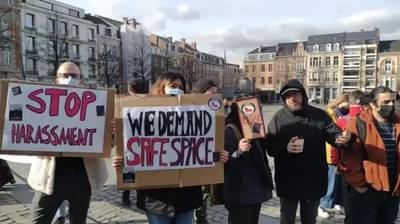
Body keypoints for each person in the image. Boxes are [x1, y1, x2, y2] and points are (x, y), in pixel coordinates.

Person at [113, 72, 228, 224]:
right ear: (161, 88)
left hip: (186, 197)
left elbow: (206, 146)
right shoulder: (141, 112)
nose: (177, 90)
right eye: (173, 86)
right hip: (155, 198)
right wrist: (122, 162)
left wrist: (218, 156)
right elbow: (131, 146)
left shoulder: (194, 112)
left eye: (181, 87)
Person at [29, 62, 108, 224]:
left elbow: (106, 144)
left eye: (74, 76)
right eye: (65, 75)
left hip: (82, 179)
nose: (70, 79)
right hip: (50, 177)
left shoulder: (95, 105)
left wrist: (110, 132)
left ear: (81, 80)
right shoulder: (43, 104)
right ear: (56, 80)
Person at [265, 79, 353, 224]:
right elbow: (270, 146)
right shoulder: (278, 118)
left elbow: (335, 137)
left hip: (313, 179)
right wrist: (285, 148)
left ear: (303, 95)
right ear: (283, 99)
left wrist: (344, 139)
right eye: (287, 96)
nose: (292, 98)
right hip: (288, 180)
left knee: (309, 219)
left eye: (295, 94)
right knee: (287, 219)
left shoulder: (320, 115)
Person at [342, 86, 400, 224]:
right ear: (373, 104)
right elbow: (350, 157)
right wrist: (360, 187)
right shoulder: (357, 123)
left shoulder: (398, 123)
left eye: (393, 101)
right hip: (367, 190)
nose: (391, 105)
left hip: (392, 192)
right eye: (386, 102)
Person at [224, 97, 274, 224]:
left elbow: (264, 155)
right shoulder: (229, 130)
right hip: (240, 193)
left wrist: (266, 139)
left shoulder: (256, 127)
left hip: (256, 189)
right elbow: (225, 163)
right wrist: (240, 151)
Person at [191, 79, 218, 224]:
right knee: (197, 192)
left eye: (216, 92)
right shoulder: (191, 109)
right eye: (211, 92)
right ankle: (198, 216)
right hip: (194, 160)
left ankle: (201, 216)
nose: (215, 95)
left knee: (205, 192)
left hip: (209, 159)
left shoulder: (215, 109)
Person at [335, 90, 364, 224]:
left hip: (345, 168)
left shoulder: (341, 120)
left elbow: (335, 145)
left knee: (350, 205)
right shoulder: (368, 119)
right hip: (365, 168)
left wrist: (336, 163)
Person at [319, 94, 350, 218]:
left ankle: (337, 202)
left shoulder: (342, 114)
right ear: (340, 103)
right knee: (330, 181)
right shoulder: (331, 114)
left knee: (337, 181)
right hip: (331, 152)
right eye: (346, 104)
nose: (347, 107)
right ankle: (322, 206)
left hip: (340, 152)